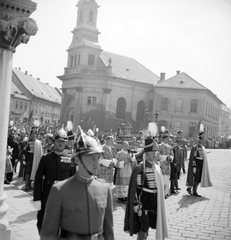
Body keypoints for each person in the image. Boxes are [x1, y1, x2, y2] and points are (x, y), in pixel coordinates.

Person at [40, 129, 114, 240]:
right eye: (91, 158)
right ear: (78, 160)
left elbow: (109, 232)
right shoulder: (59, 190)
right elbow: (48, 235)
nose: (96, 162)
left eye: (98, 158)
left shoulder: (105, 189)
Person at [33, 127, 76, 234]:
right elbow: (38, 179)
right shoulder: (46, 158)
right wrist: (37, 198)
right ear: (54, 142)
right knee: (43, 223)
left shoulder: (70, 159)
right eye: (58, 141)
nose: (60, 144)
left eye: (63, 141)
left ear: (65, 143)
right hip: (48, 195)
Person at [124, 138, 168, 240]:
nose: (155, 155)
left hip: (154, 203)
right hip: (143, 203)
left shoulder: (156, 167)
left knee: (148, 227)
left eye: (155, 152)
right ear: (147, 154)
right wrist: (135, 203)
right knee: (144, 228)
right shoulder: (139, 169)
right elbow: (135, 189)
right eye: (153, 153)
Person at [186, 129, 212, 197]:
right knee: (195, 179)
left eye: (202, 140)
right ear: (199, 140)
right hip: (196, 165)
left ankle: (192, 190)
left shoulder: (202, 147)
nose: (202, 141)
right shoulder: (194, 147)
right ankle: (191, 190)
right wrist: (195, 160)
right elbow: (193, 157)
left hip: (201, 165)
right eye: (201, 140)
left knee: (198, 179)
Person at [24, 126, 43, 191]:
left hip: (35, 157)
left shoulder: (38, 142)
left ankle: (29, 184)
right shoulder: (27, 141)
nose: (34, 134)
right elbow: (25, 150)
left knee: (33, 171)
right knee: (28, 172)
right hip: (29, 157)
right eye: (33, 133)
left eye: (35, 133)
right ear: (31, 133)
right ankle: (27, 185)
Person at [158, 134, 174, 198]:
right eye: (167, 138)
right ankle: (162, 193)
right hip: (162, 165)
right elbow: (158, 156)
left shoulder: (170, 147)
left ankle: (166, 193)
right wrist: (166, 157)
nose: (168, 140)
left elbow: (172, 155)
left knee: (167, 179)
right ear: (164, 139)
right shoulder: (159, 146)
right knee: (163, 179)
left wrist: (171, 158)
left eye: (168, 139)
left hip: (168, 165)